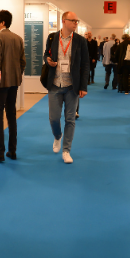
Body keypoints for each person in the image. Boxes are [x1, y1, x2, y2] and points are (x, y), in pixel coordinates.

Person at [43, 11, 89, 164]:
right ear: (64, 21)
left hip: (72, 86)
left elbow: (85, 64)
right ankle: (57, 136)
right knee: (54, 118)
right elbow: (45, 54)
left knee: (70, 119)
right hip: (55, 84)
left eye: (77, 21)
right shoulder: (52, 37)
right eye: (73, 20)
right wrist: (47, 60)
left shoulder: (81, 41)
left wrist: (83, 86)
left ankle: (66, 150)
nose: (76, 23)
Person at [0, 10, 26, 163]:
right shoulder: (18, 38)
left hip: (0, 84)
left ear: (3, 22)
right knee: (11, 116)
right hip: (14, 83)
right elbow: (23, 62)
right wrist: (16, 75)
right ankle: (12, 150)